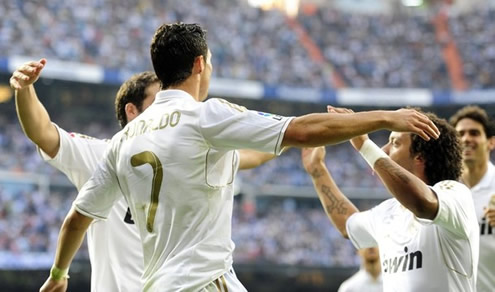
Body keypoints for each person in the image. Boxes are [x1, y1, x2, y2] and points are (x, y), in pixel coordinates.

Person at [39, 22, 440, 292]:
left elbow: (77, 219)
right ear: (199, 64)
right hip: (205, 282)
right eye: (210, 62)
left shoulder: (122, 142)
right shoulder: (205, 115)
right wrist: (386, 116)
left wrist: (59, 274)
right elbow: (302, 129)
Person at [11, 59, 279, 291]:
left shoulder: (187, 154)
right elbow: (43, 133)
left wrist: (288, 134)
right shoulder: (100, 154)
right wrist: (24, 90)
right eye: (156, 100)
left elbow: (253, 153)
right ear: (132, 111)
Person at [302, 108, 479, 291]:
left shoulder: (456, 195)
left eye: (394, 143)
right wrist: (317, 170)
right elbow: (348, 223)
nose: (383, 150)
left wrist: (365, 146)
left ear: (419, 157)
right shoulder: (388, 212)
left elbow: (422, 202)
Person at [449, 105, 495, 292]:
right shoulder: (443, 191)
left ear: (491, 142)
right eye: (460, 134)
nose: (466, 139)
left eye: (474, 133)